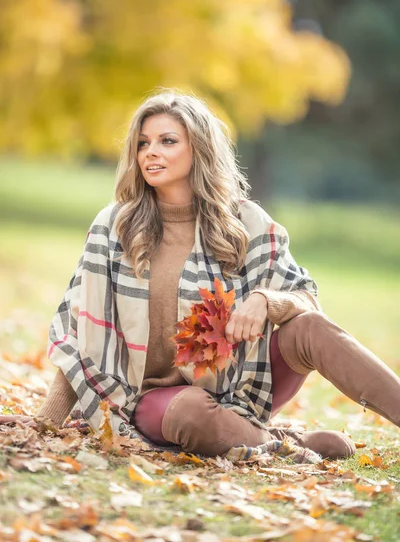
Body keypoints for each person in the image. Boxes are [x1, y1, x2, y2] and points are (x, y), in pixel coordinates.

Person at [3, 90, 400, 462]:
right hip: (151, 398)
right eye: (143, 143)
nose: (150, 153)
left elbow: (306, 296)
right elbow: (81, 337)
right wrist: (47, 423)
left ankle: (255, 428)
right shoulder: (115, 227)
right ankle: (281, 444)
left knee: (309, 326)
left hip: (241, 384)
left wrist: (265, 300)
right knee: (191, 412)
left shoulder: (244, 221)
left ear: (200, 149)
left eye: (167, 141)